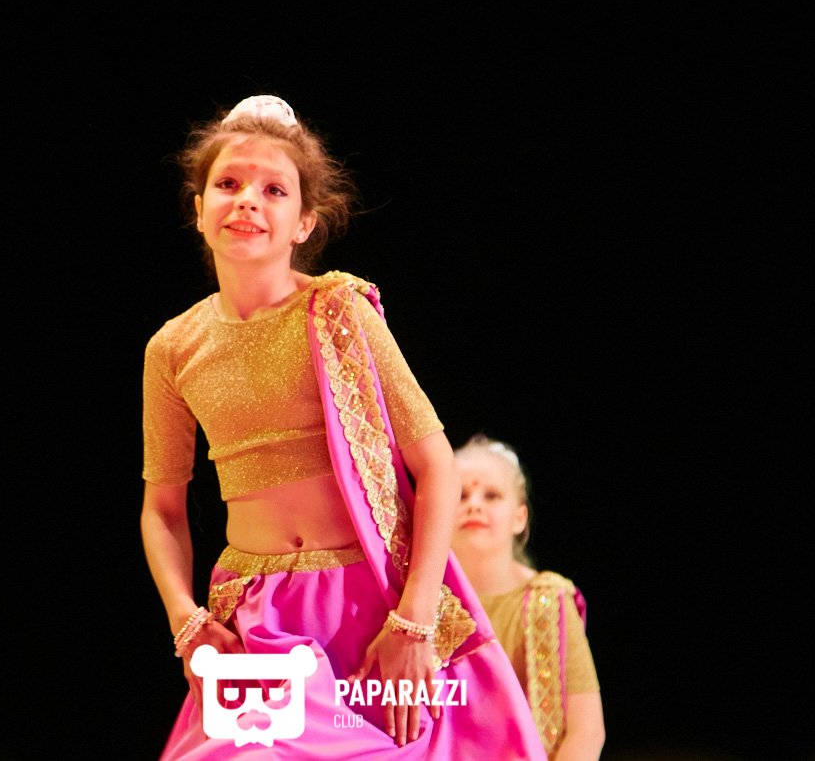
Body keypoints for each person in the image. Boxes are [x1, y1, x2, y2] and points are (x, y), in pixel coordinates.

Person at [141, 95, 546, 758]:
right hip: (259, 624)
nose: (248, 201)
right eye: (229, 183)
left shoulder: (340, 313)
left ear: (304, 223)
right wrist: (186, 621)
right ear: (199, 206)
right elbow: (162, 508)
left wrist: (413, 623)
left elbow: (436, 466)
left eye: (274, 190)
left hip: (373, 604)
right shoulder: (173, 348)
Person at [450, 435, 606, 760]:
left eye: (492, 496)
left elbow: (587, 730)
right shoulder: (419, 602)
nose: (474, 504)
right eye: (460, 495)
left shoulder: (548, 600)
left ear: (519, 518)